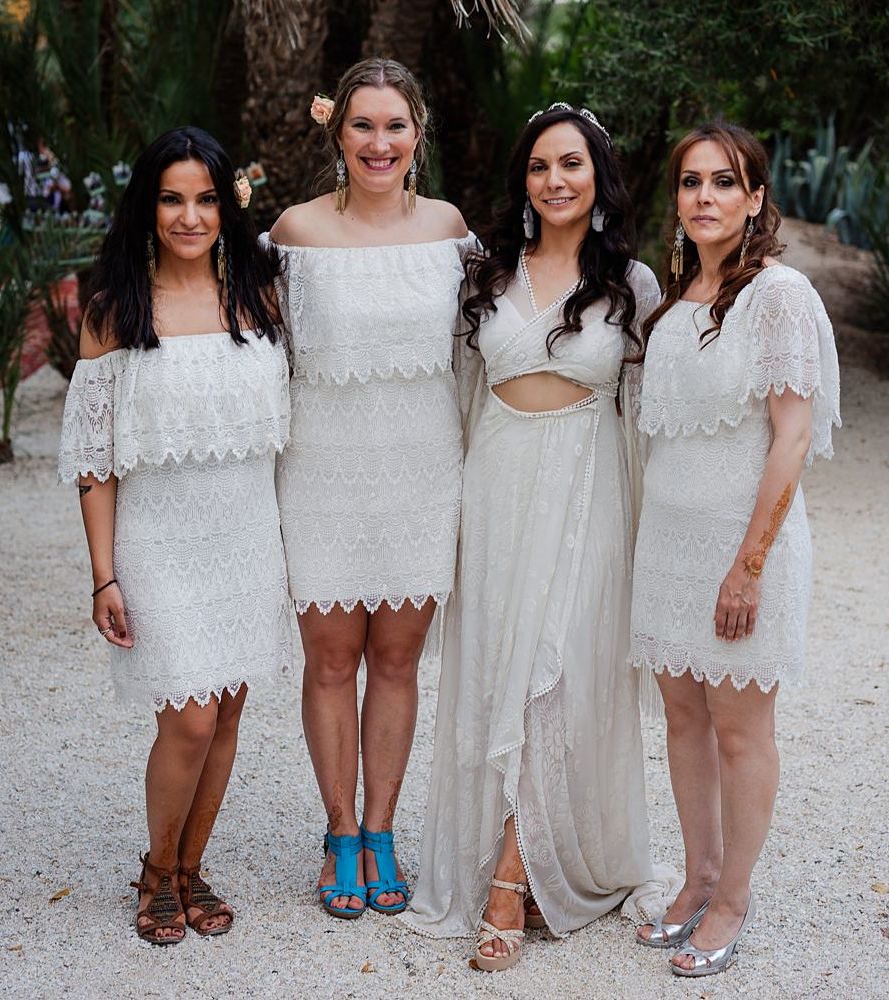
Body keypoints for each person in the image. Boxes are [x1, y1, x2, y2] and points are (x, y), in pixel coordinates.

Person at [401, 103, 675, 971]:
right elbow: (453, 395)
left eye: (572, 164)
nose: (555, 180)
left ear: (598, 178)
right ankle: (504, 855)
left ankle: (512, 881)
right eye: (540, 167)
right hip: (498, 486)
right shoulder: (486, 275)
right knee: (497, 670)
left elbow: (651, 416)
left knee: (557, 677)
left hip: (590, 487)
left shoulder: (631, 284)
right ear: (523, 181)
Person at [58, 126, 293, 944]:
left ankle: (192, 868)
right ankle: (157, 872)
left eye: (204, 199)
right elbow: (94, 461)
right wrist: (103, 573)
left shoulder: (259, 301)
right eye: (171, 199)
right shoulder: (113, 313)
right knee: (188, 720)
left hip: (247, 538)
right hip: (159, 543)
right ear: (146, 207)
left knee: (226, 715)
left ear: (227, 207)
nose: (189, 217)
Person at [262, 58, 474, 919]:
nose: (378, 143)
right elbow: (256, 347)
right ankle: (340, 830)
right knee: (330, 660)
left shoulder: (450, 230)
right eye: (363, 125)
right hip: (321, 472)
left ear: (418, 133)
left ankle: (382, 828)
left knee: (395, 660)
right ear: (337, 132)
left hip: (422, 472)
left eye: (394, 126)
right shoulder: (296, 232)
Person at [630, 121, 841, 976]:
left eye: (724, 182)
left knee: (741, 730)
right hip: (668, 543)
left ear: (755, 198)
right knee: (684, 719)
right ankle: (698, 876)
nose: (705, 197)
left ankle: (734, 898)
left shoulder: (780, 296)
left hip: (743, 547)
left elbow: (792, 437)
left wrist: (748, 566)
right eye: (691, 182)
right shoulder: (674, 298)